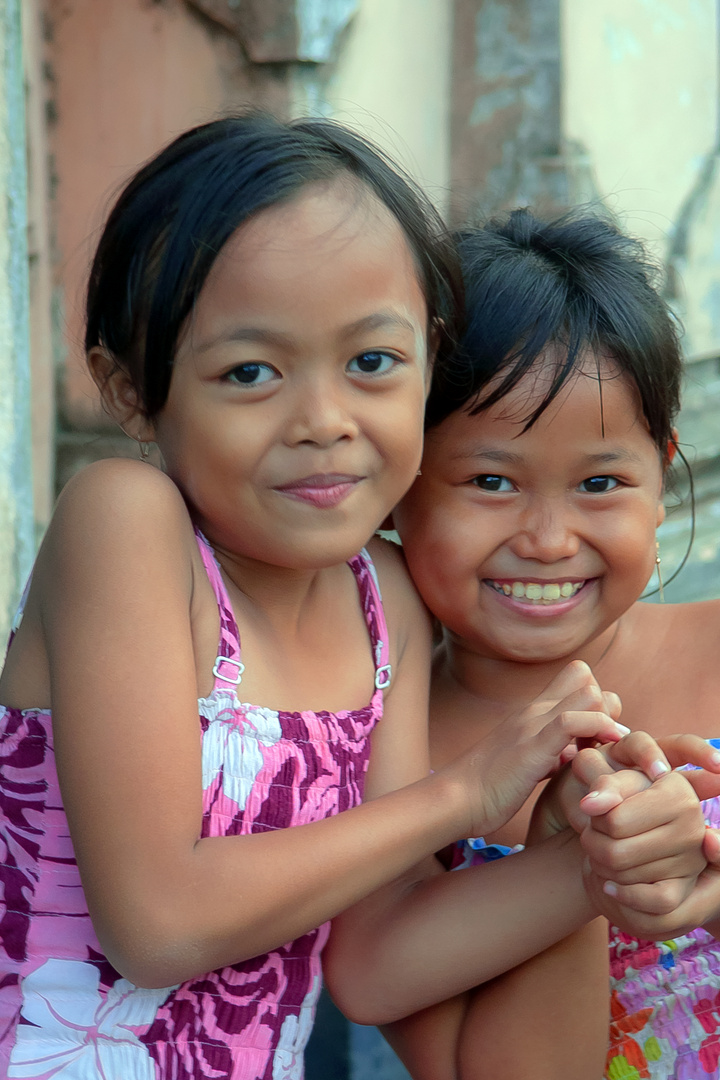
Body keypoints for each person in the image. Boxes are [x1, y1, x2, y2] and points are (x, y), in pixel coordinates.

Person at [0, 116, 650, 1080]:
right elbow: (157, 923)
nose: (324, 422)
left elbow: (378, 940)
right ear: (132, 390)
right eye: (251, 372)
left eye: (372, 362)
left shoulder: (382, 598)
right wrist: (467, 793)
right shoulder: (128, 523)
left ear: (431, 357)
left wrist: (597, 854)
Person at [388, 207, 720, 1079]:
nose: (546, 538)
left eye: (602, 482)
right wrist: (571, 868)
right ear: (397, 485)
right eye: (490, 480)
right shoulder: (384, 771)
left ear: (662, 480)